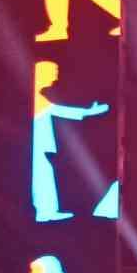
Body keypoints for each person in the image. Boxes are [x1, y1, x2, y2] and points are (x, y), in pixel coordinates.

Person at [30, 59, 110, 221]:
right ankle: (45, 212)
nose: (55, 77)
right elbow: (60, 111)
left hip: (41, 144)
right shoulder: (36, 98)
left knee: (45, 175)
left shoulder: (38, 97)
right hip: (38, 145)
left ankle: (47, 211)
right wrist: (89, 112)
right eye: (53, 73)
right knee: (42, 176)